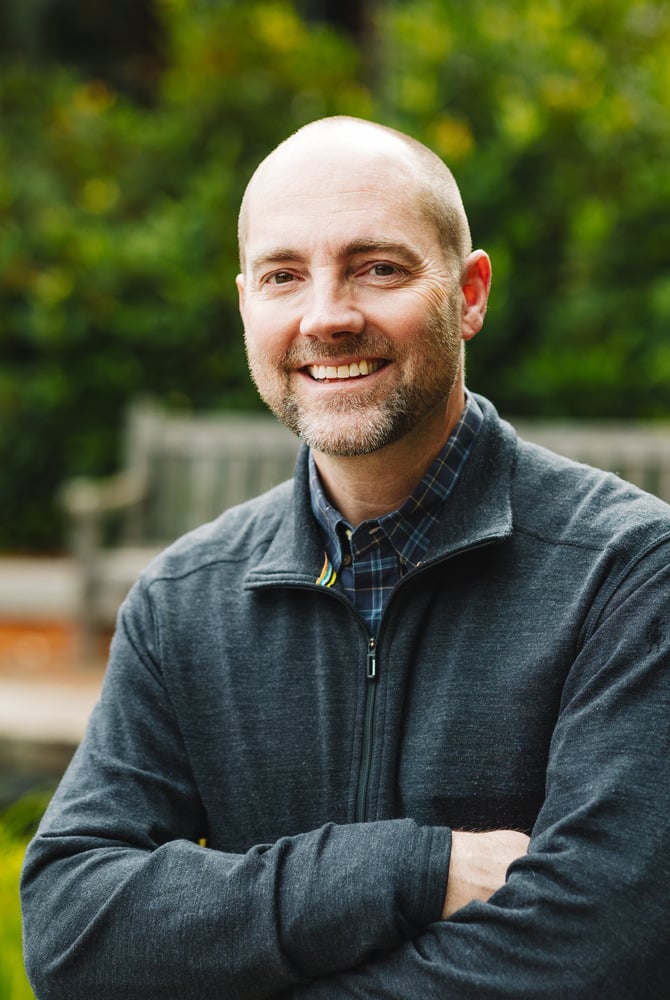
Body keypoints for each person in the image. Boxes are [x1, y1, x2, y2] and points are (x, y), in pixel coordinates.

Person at [21, 117, 670, 999]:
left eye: (379, 267)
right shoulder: (184, 599)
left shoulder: (628, 573)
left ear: (470, 294)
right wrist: (411, 867)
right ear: (246, 302)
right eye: (285, 276)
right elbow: (71, 928)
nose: (327, 316)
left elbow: (602, 950)